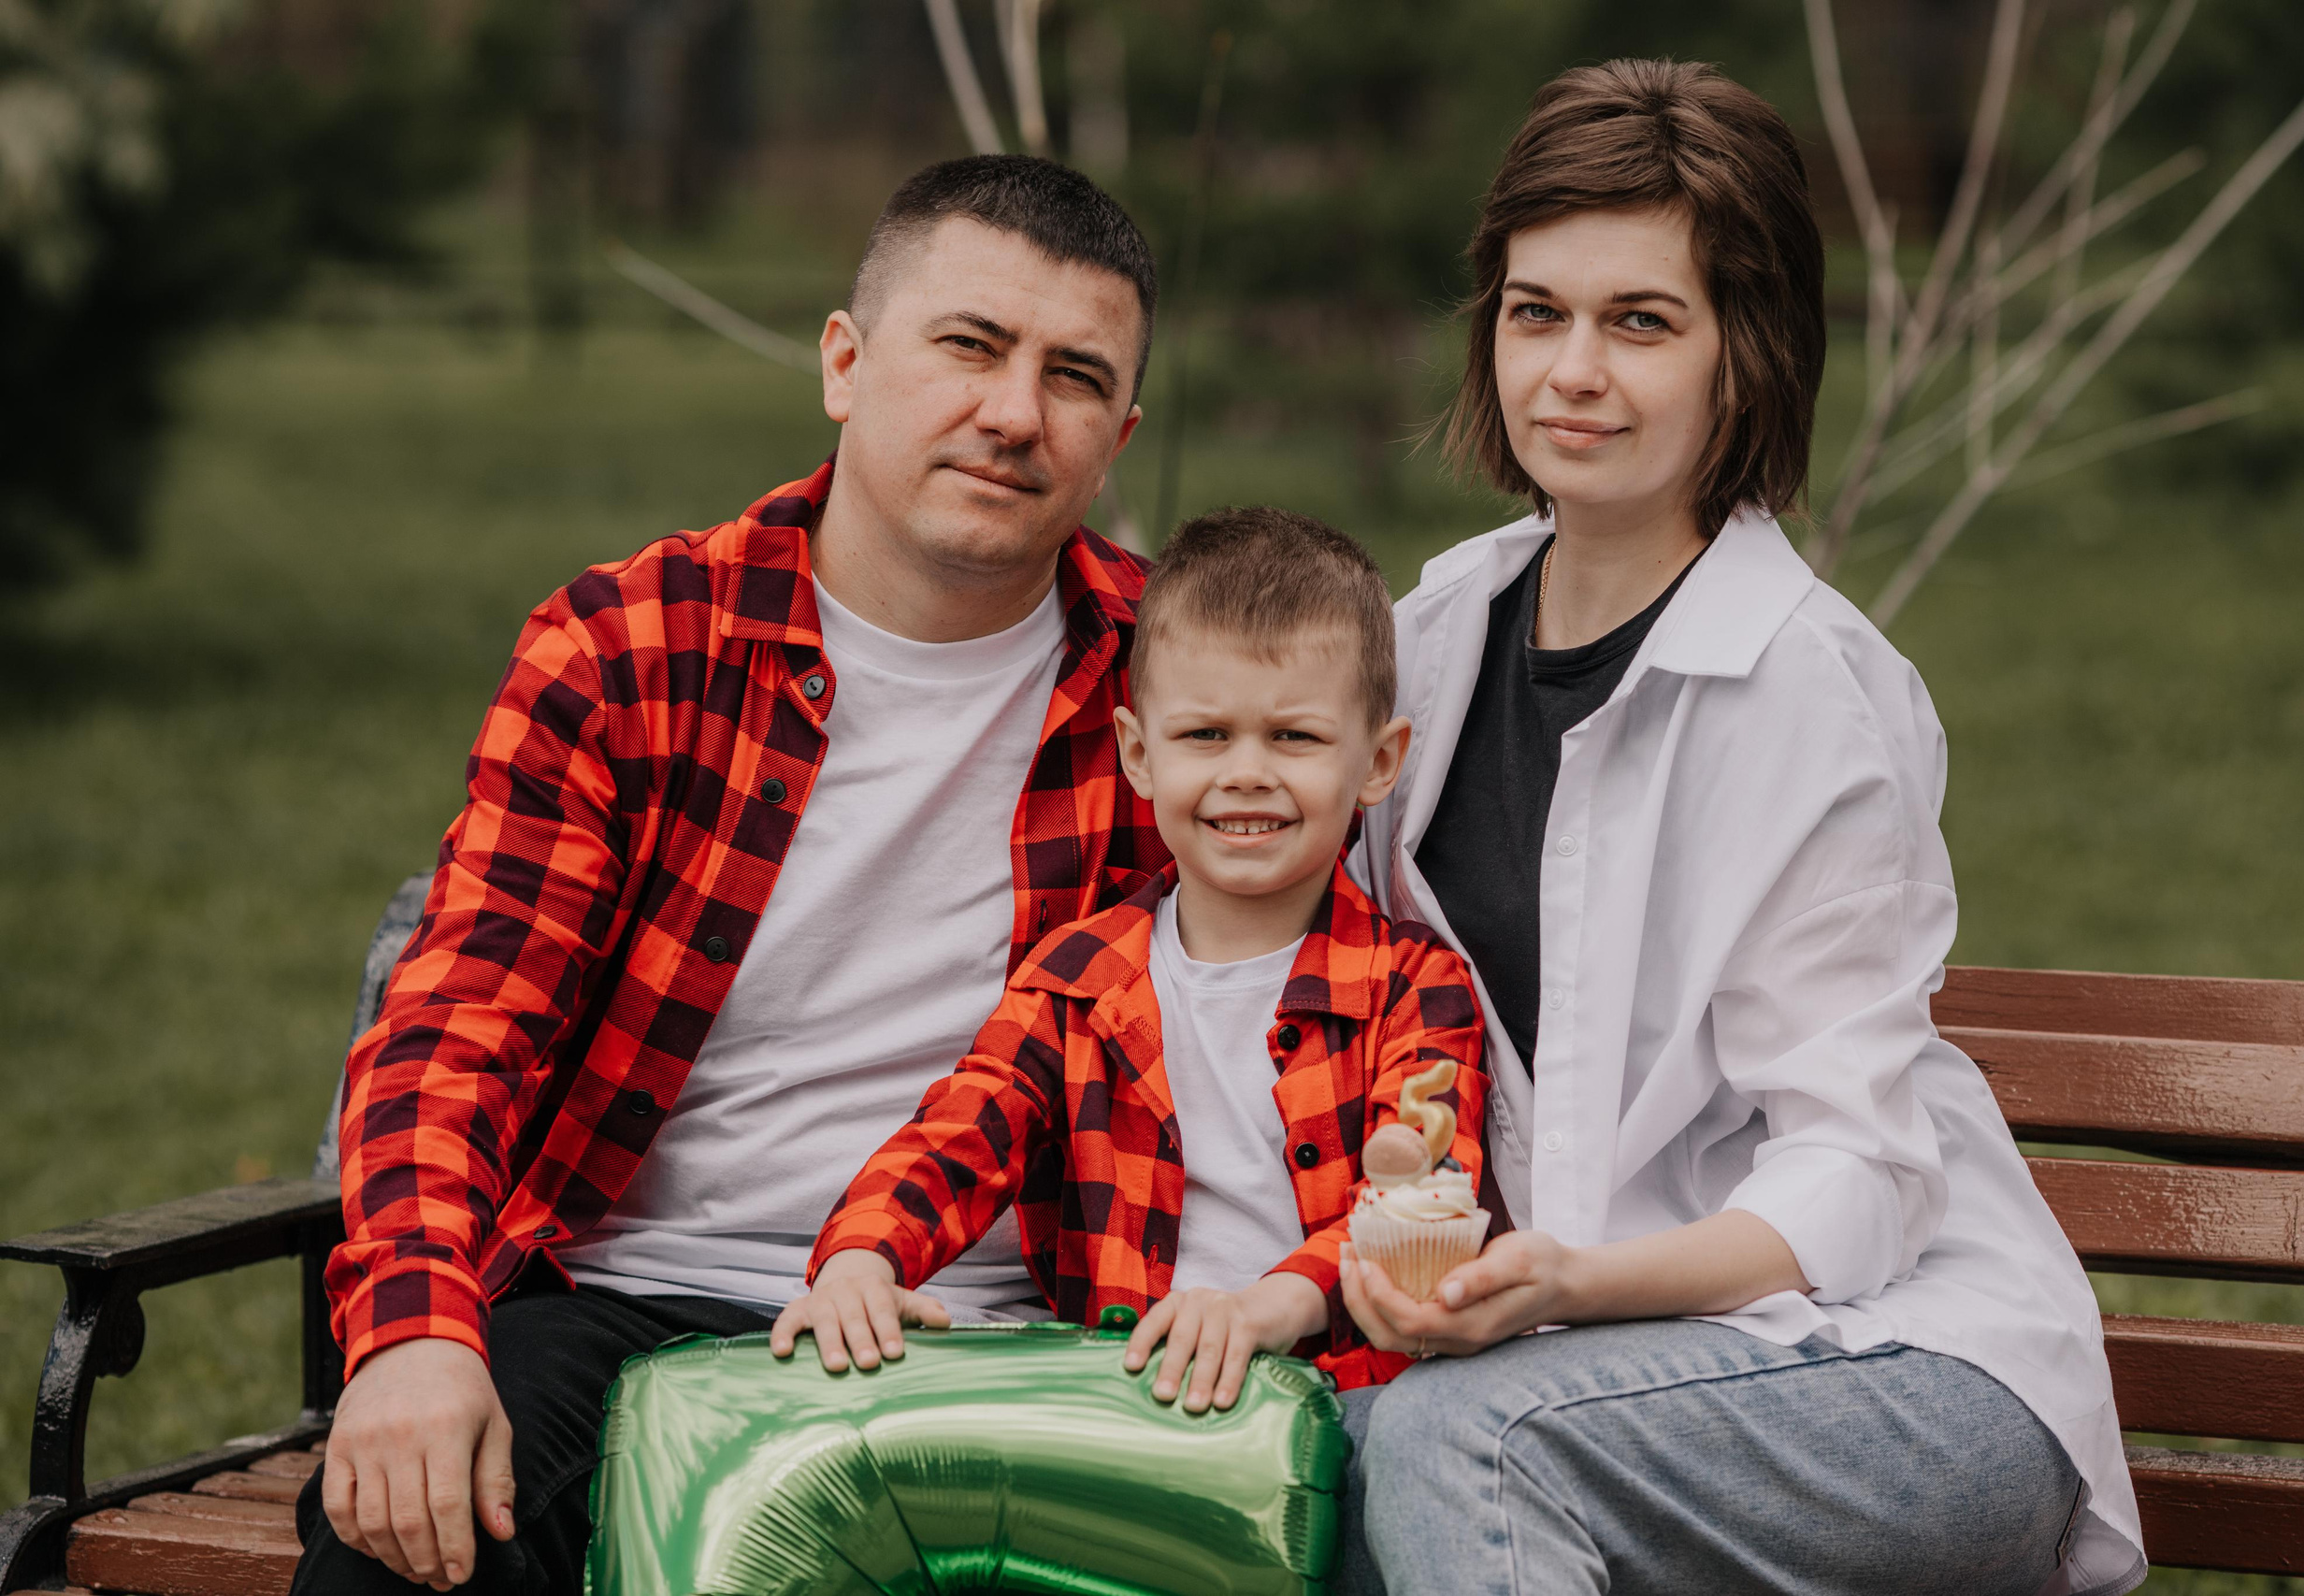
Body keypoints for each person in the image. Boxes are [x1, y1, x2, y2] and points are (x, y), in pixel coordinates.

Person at [296, 154, 1173, 1595]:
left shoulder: (1183, 683)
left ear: (1120, 431)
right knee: (421, 1525)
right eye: (970, 344)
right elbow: (455, 1027)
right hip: (639, 1299)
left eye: (1074, 376)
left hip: (1027, 1330)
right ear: (845, 362)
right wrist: (412, 1332)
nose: (1016, 413)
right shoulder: (633, 649)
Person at [1331, 61, 2146, 1596]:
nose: (1573, 370)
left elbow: (1859, 1170)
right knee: (1315, 1459)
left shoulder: (1811, 690)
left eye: (1641, 321)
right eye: (1535, 312)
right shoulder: (1423, 645)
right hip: (1588, 1377)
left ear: (1745, 355)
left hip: (1902, 1372)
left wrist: (1573, 1283)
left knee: (1459, 1444)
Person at [778, 508, 1489, 1409]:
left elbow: (1422, 1198)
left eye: (1295, 737)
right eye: (1205, 735)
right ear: (1140, 754)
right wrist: (861, 1259)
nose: (1246, 771)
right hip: (1122, 1397)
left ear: (1378, 762)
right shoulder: (1077, 981)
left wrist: (1266, 1307)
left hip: (1343, 1397)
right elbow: (959, 1133)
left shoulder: (1417, 988)